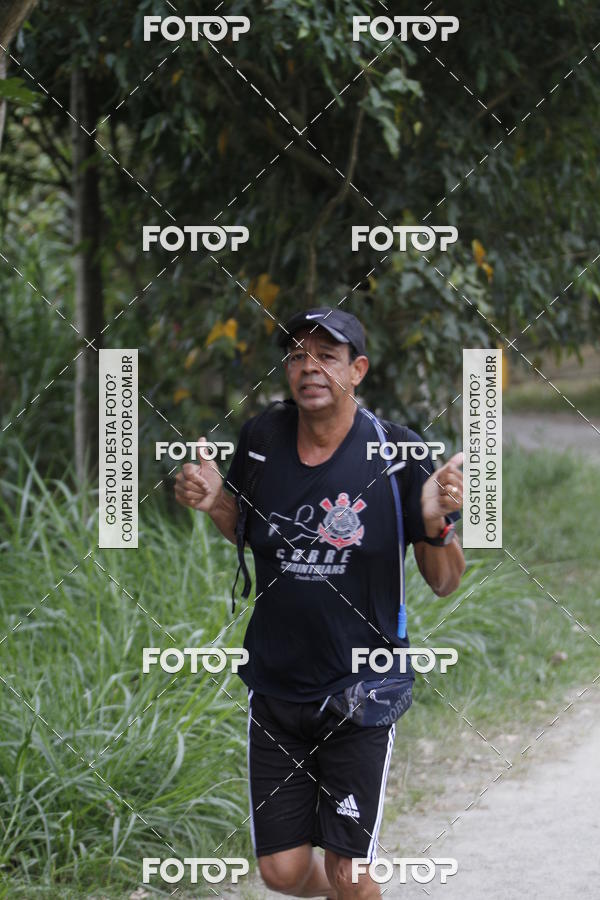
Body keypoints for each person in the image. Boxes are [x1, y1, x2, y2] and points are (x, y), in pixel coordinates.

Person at [175, 307, 465, 899]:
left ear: (356, 370)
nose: (309, 368)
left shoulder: (399, 454)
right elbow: (252, 531)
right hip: (277, 682)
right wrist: (214, 504)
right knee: (280, 872)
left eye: (326, 357)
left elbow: (445, 582)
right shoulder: (261, 440)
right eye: (297, 356)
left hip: (362, 688)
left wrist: (435, 524)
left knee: (347, 870)